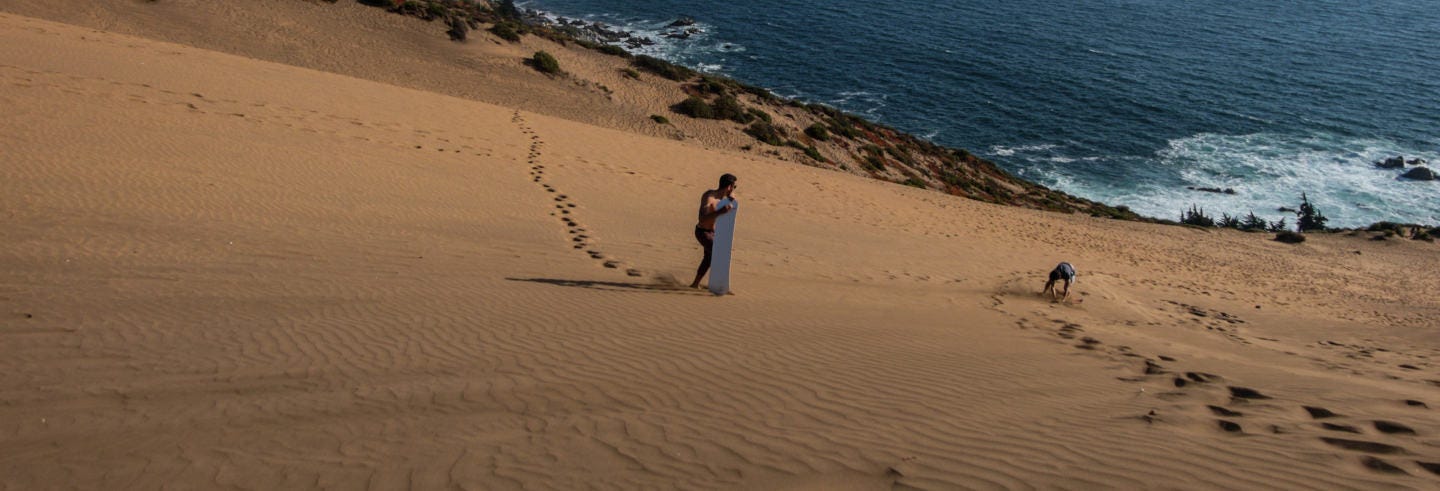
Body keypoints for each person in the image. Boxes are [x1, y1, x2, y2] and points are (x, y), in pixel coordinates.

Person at [690, 173, 737, 289]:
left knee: (709, 258)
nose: (734, 190)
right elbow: (702, 219)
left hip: (713, 233)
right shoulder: (709, 197)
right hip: (702, 232)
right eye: (734, 187)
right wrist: (720, 212)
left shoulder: (726, 199)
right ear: (729, 187)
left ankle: (695, 284)